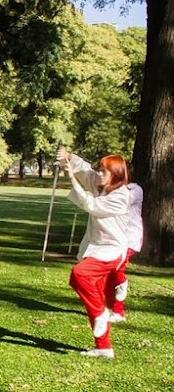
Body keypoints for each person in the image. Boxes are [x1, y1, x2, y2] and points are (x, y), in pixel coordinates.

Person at [57, 148, 130, 359]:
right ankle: (103, 346)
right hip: (96, 247)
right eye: (99, 170)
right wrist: (68, 157)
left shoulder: (120, 196)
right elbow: (84, 171)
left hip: (112, 250)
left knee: (79, 275)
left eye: (104, 172)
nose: (99, 174)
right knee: (92, 291)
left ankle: (101, 312)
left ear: (115, 175)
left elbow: (90, 205)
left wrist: (71, 177)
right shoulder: (101, 185)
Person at [107, 163, 143, 323]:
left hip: (129, 238)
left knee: (116, 268)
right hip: (115, 237)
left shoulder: (134, 190)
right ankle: (114, 309)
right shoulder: (113, 190)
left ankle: (122, 284)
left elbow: (121, 201)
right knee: (108, 272)